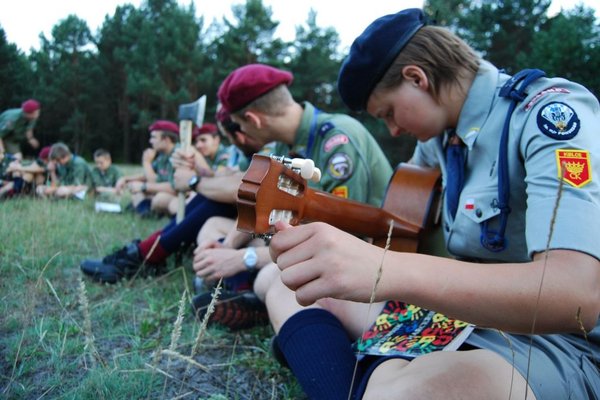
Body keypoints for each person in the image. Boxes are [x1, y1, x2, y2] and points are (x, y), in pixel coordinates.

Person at [264, 8, 600, 400]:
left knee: (406, 394)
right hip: (462, 316)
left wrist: (383, 269)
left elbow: (576, 295)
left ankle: (374, 371)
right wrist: (315, 212)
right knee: (287, 283)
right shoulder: (437, 143)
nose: (392, 130)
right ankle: (376, 373)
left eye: (388, 112)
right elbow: (397, 225)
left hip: (554, 341)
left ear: (417, 78)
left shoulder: (549, 117)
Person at [190, 63, 394, 330]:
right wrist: (228, 246)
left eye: (240, 125)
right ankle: (244, 291)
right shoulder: (278, 147)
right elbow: (261, 206)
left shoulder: (337, 139)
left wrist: (243, 259)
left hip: (357, 253)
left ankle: (255, 294)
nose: (243, 134)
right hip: (297, 239)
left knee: (269, 274)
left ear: (254, 119)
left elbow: (340, 236)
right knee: (213, 226)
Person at [78, 109, 265, 284]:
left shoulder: (257, 150)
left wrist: (193, 180)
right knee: (206, 198)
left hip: (259, 223)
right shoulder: (245, 152)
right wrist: (197, 172)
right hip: (245, 220)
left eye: (153, 137)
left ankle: (145, 255)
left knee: (193, 198)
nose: (235, 140)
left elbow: (245, 188)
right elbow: (225, 179)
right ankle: (145, 253)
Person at [115, 120, 179, 217]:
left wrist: (146, 163)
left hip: (179, 197)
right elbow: (148, 175)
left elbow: (174, 187)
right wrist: (126, 179)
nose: (150, 141)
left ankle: (147, 211)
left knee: (159, 198)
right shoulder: (163, 155)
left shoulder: (178, 155)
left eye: (153, 137)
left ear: (166, 139)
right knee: (138, 193)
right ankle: (145, 211)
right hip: (165, 192)